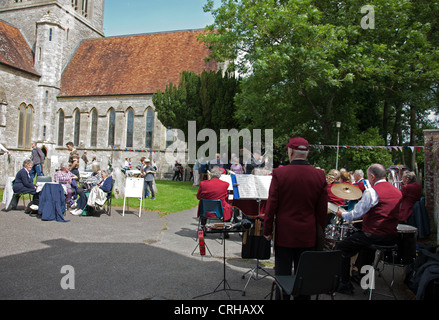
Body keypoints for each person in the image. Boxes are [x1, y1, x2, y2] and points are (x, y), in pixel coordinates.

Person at [263, 137, 328, 300]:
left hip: (285, 235)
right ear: (307, 152)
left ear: (290, 152)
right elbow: (322, 211)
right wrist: (321, 232)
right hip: (308, 234)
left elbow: (271, 205)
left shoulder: (280, 173)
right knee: (303, 281)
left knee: (282, 278)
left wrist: (267, 230)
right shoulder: (319, 175)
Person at [335, 164, 403, 294]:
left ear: (372, 176)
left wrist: (342, 214)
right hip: (391, 236)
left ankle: (344, 284)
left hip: (374, 234)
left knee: (342, 247)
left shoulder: (372, 192)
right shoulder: (397, 192)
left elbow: (356, 214)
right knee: (366, 246)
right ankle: (362, 277)